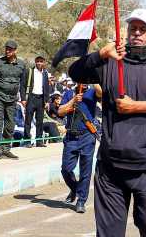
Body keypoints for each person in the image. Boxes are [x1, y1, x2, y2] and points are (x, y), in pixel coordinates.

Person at [68, 8, 146, 237]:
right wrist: (100, 54)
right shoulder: (112, 62)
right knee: (109, 233)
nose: (137, 33)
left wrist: (137, 106)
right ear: (127, 32)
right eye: (133, 28)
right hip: (111, 166)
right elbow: (75, 73)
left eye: (143, 29)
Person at [59, 83, 102, 213]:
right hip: (71, 137)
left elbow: (102, 93)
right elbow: (60, 111)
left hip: (87, 136)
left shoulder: (92, 92)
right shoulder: (68, 93)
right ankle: (75, 189)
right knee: (66, 169)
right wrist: (73, 100)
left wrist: (94, 77)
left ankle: (81, 201)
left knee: (85, 171)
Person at [0, 40, 27, 160]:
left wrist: (23, 98)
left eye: (10, 49)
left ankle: (6, 149)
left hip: (12, 98)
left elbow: (23, 83)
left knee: (10, 124)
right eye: (6, 49)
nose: (8, 51)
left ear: (15, 50)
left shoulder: (21, 64)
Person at [24, 55, 51, 147]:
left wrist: (47, 101)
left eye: (41, 61)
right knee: (28, 120)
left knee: (40, 121)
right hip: (31, 98)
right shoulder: (30, 71)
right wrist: (23, 99)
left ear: (44, 63)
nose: (39, 63)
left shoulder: (45, 73)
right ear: (35, 62)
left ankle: (39, 141)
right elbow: (23, 85)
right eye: (38, 61)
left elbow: (47, 88)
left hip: (41, 99)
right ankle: (27, 141)